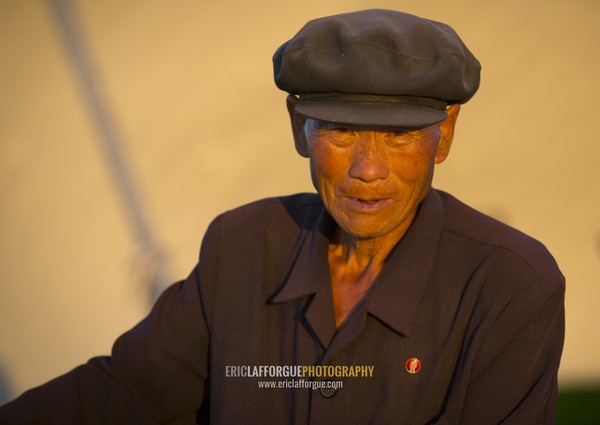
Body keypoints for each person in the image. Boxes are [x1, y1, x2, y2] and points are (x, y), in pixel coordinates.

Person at [0, 9, 565, 425]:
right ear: (300, 128)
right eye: (341, 131)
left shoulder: (511, 287)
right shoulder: (241, 246)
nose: (368, 169)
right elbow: (124, 393)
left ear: (444, 135)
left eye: (398, 136)